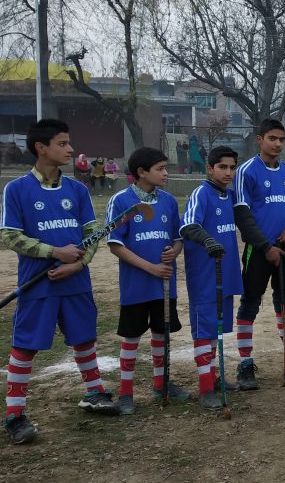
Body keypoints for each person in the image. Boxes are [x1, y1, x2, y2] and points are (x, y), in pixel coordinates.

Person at [2, 119, 119, 444]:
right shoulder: (17, 189)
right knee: (25, 346)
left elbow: (91, 235)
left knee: (84, 339)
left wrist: (79, 262)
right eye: (63, 143)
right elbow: (10, 236)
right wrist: (53, 251)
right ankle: (14, 415)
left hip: (75, 280)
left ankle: (94, 393)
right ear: (42, 148)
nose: (70, 149)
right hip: (38, 283)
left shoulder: (77, 190)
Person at [233, 118, 285, 390]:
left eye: (282, 139)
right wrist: (265, 247)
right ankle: (245, 363)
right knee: (250, 302)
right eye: (273, 138)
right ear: (259, 139)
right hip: (259, 250)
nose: (278, 144)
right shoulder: (247, 171)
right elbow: (243, 216)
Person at [107, 147, 188, 415]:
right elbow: (116, 245)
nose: (166, 173)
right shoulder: (122, 201)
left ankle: (161, 383)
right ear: (141, 172)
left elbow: (177, 239)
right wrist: (150, 268)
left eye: (166, 168)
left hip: (164, 283)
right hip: (137, 285)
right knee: (131, 338)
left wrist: (173, 252)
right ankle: (126, 392)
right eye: (160, 168)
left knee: (161, 334)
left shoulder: (167, 201)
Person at [179, 146, 244, 410]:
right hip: (205, 276)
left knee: (217, 327)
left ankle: (213, 377)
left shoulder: (230, 196)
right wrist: (207, 240)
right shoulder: (201, 194)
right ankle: (205, 388)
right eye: (222, 167)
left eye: (232, 167)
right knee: (204, 330)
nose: (228, 173)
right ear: (210, 168)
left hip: (225, 273)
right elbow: (188, 225)